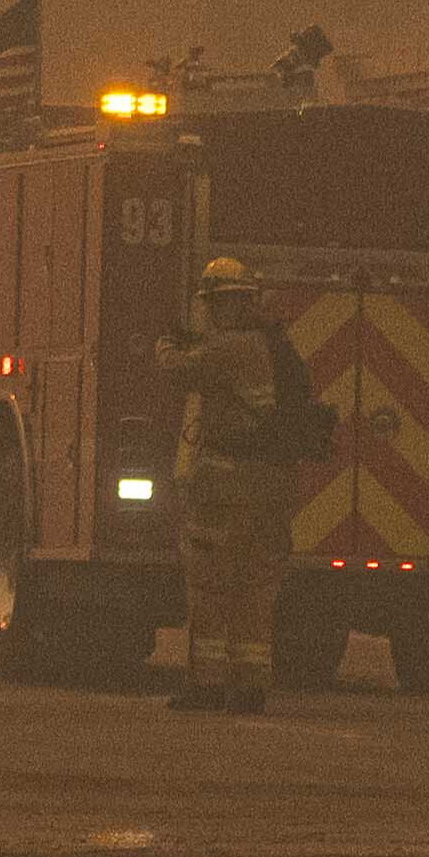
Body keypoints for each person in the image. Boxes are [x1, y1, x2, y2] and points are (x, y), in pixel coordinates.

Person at [161, 257, 319, 716]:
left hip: (229, 486)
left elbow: (177, 372)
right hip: (274, 487)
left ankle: (207, 685)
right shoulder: (274, 346)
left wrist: (167, 341)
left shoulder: (231, 348)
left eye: (209, 305)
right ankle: (250, 686)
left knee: (210, 585)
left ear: (220, 305)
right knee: (255, 588)